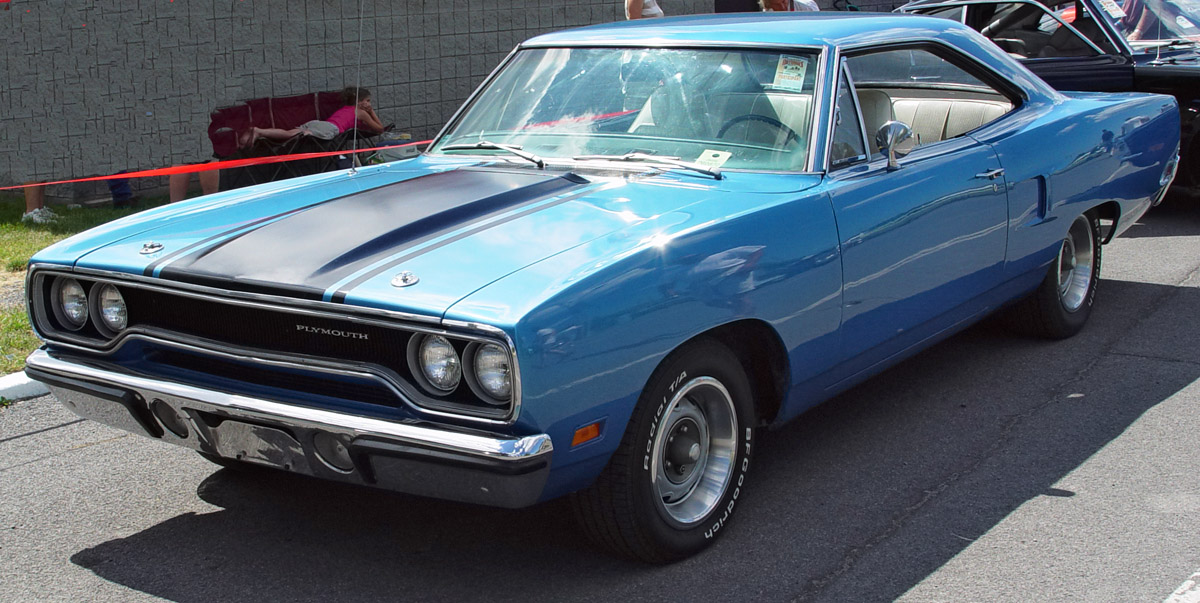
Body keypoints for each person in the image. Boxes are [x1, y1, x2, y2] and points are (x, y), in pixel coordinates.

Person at [238, 87, 385, 148]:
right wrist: (371, 112)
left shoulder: (345, 109)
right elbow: (379, 129)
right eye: (368, 101)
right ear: (359, 102)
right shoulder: (360, 112)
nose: (369, 104)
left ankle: (259, 132)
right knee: (296, 135)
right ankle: (259, 132)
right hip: (329, 128)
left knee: (289, 133)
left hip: (318, 124)